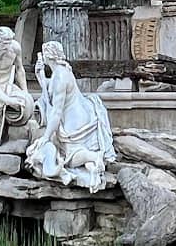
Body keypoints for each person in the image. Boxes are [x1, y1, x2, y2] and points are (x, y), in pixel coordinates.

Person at [26, 41, 116, 192]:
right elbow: (51, 90)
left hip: (76, 124)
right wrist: (40, 76)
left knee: (69, 159)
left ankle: (94, 157)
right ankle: (92, 165)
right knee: (62, 152)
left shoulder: (60, 77)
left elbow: (56, 112)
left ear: (48, 56)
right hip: (78, 116)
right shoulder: (61, 72)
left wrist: (46, 137)